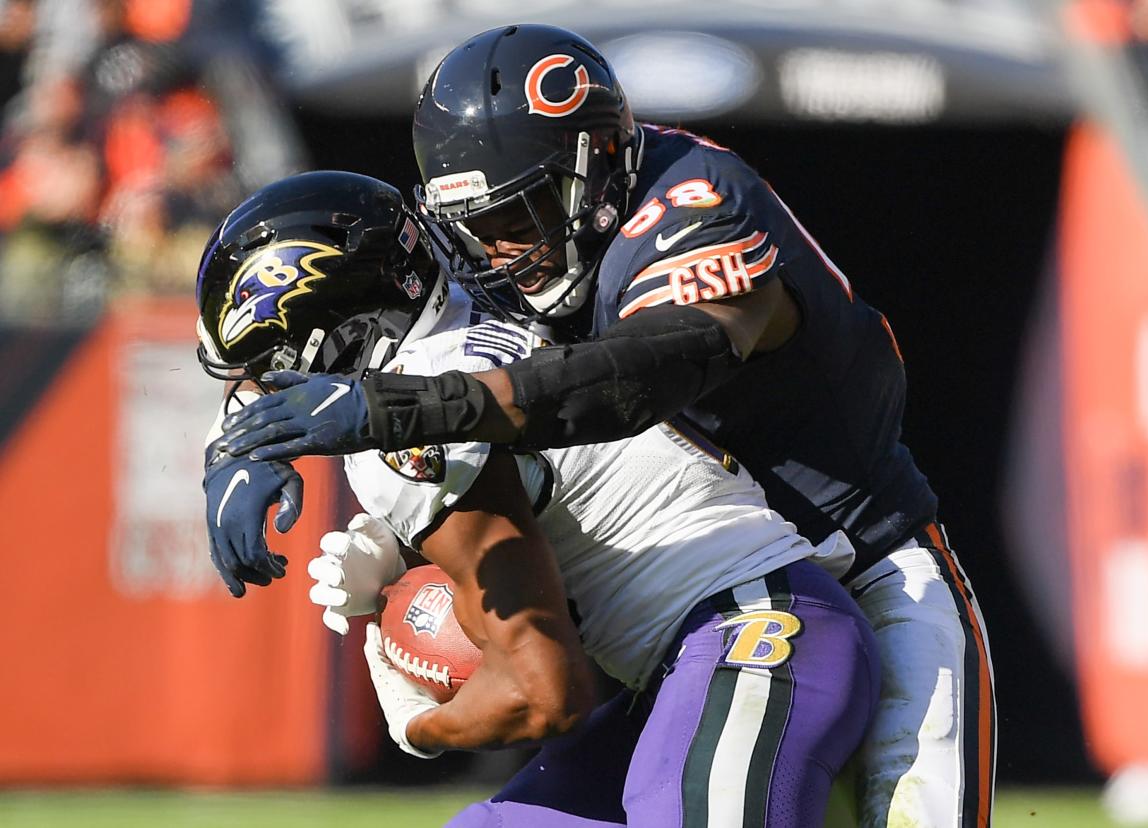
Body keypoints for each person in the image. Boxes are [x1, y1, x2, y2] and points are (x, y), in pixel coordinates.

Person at [212, 24, 995, 827]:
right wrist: (242, 438)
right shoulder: (502, 241)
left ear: (601, 162)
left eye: (524, 213)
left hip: (865, 567)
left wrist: (393, 415)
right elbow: (332, 289)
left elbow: (634, 378)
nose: (497, 250)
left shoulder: (694, 205)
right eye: (476, 225)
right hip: (689, 622)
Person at [196, 169, 880, 827]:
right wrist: (394, 545)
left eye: (266, 368)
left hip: (755, 634)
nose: (255, 392)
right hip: (698, 660)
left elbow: (542, 695)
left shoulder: (410, 436)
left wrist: (418, 722)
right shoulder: (475, 312)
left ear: (328, 344)